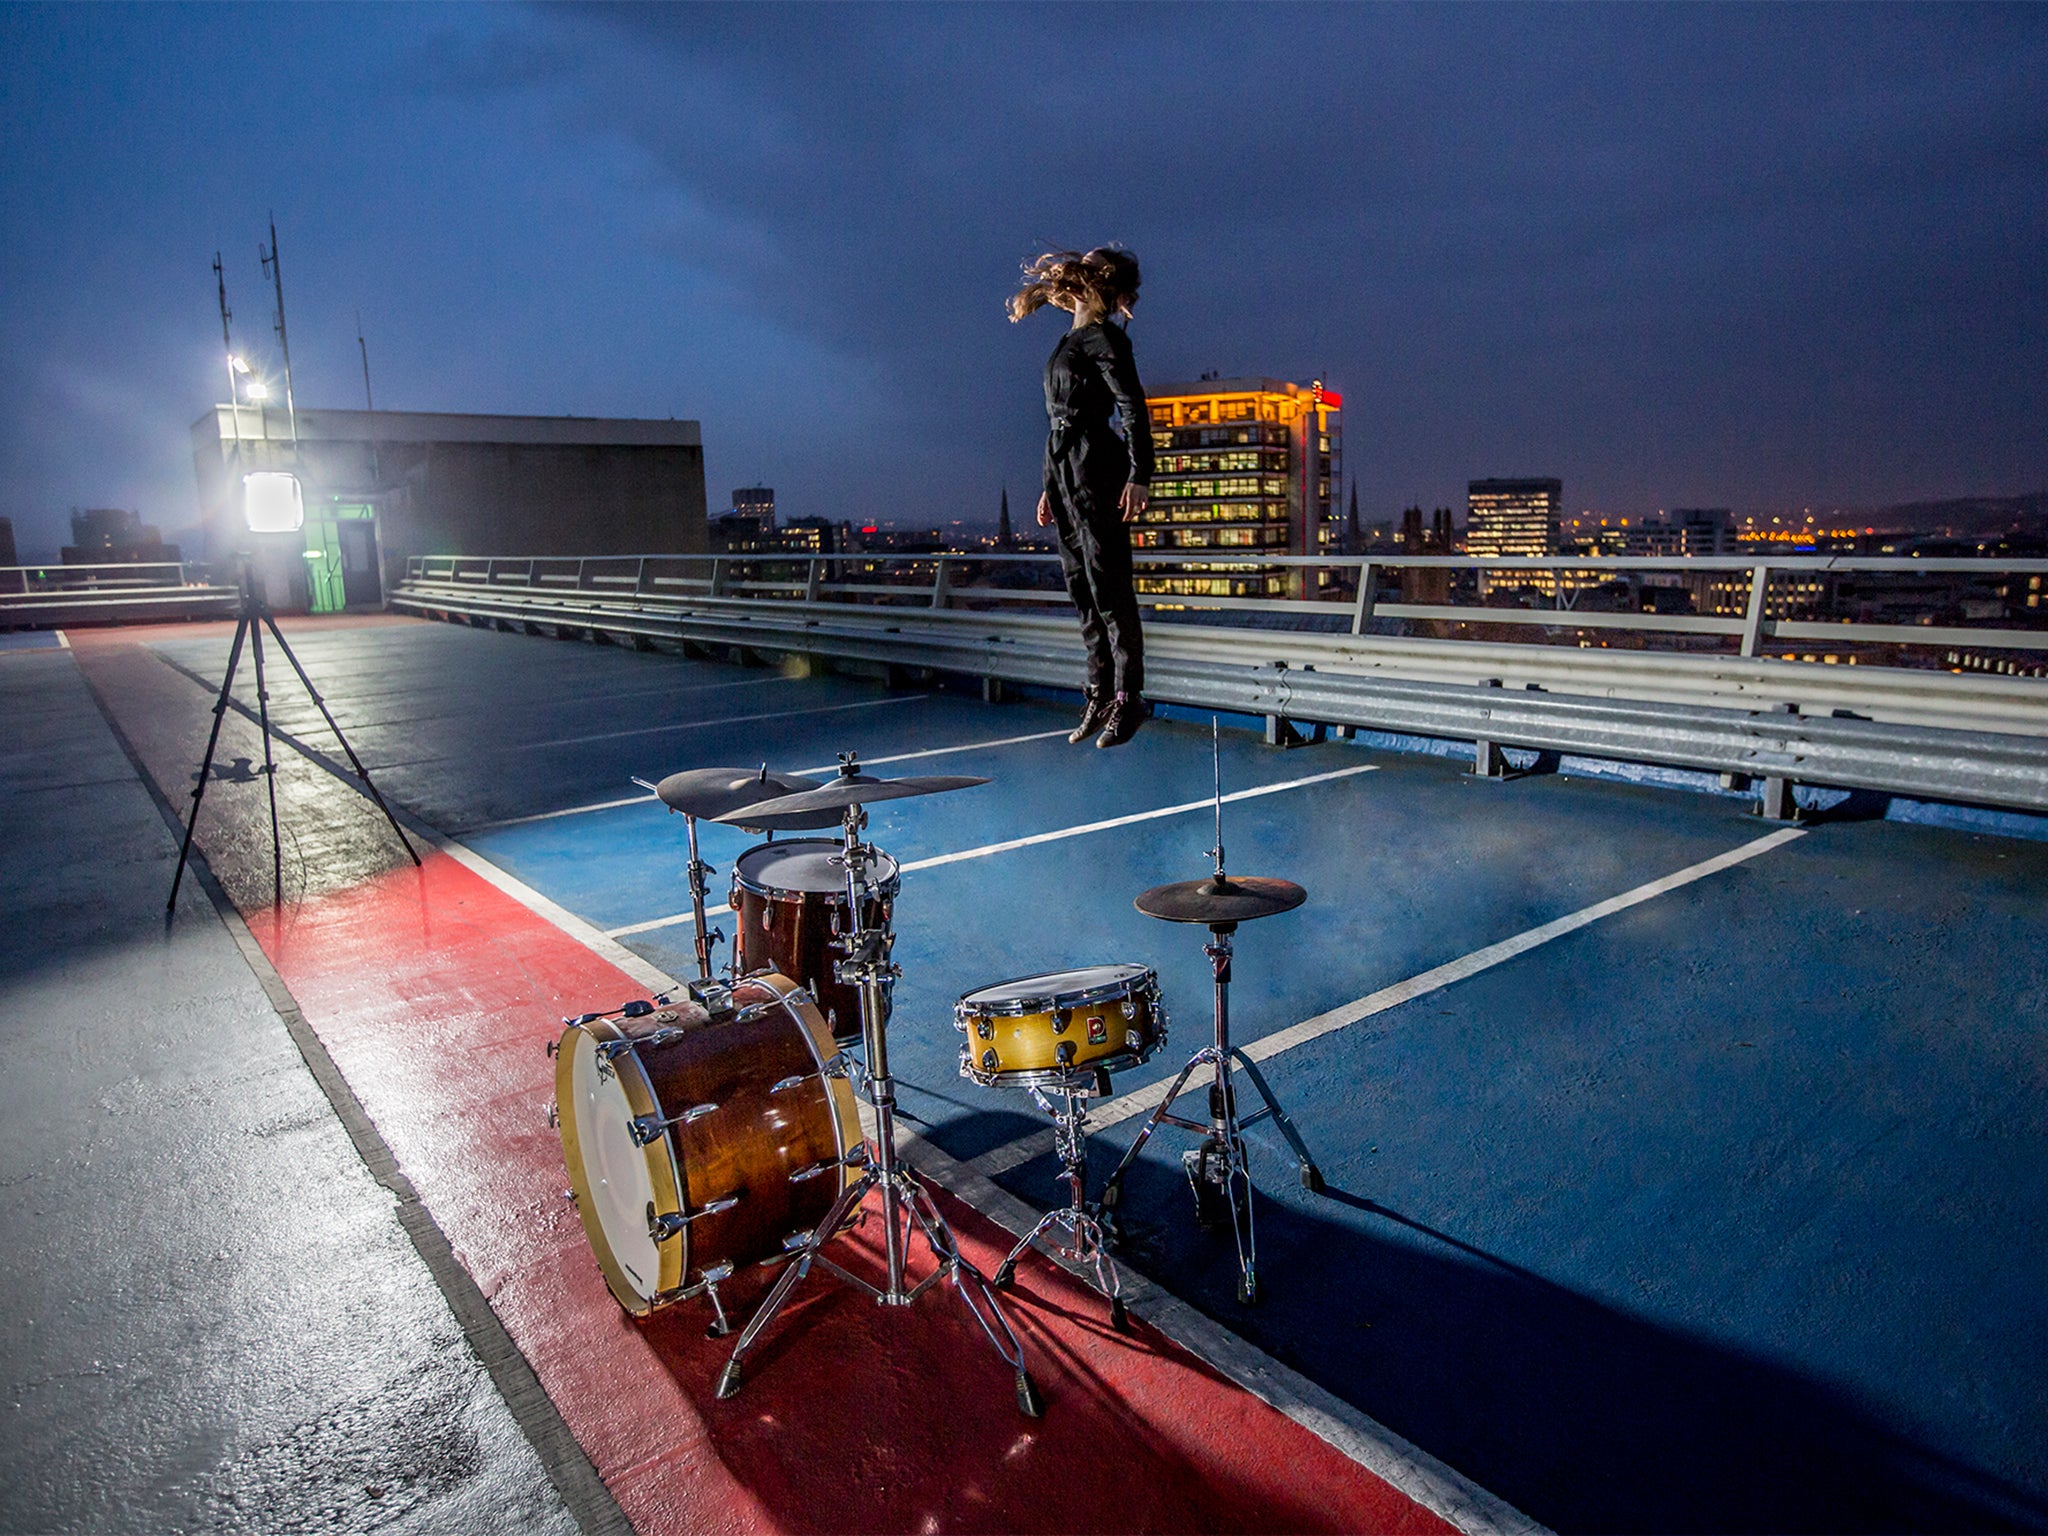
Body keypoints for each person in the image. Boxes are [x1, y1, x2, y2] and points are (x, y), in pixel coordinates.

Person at [1008, 247, 1152, 748]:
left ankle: (1127, 699)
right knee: (1082, 589)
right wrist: (1051, 486)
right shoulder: (1072, 338)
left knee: (1109, 587)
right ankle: (1099, 691)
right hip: (1067, 468)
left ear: (1094, 283)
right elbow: (1058, 422)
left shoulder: (1104, 338)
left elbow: (1132, 407)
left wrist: (1140, 476)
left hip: (1096, 465)